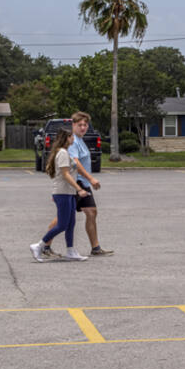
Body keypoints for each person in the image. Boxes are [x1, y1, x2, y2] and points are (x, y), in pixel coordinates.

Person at [30, 128, 88, 262]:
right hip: (63, 192)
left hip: (68, 193)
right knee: (62, 224)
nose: (73, 139)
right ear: (66, 138)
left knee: (71, 223)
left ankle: (70, 251)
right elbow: (65, 174)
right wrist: (79, 189)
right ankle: (38, 246)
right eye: (71, 137)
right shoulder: (62, 153)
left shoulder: (64, 152)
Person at [69, 111, 112, 256]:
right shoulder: (73, 141)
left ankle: (95, 248)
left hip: (84, 183)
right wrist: (91, 178)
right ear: (73, 125)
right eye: (79, 124)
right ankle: (45, 245)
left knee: (92, 212)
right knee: (64, 218)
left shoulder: (80, 140)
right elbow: (75, 163)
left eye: (85, 124)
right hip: (76, 183)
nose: (83, 127)